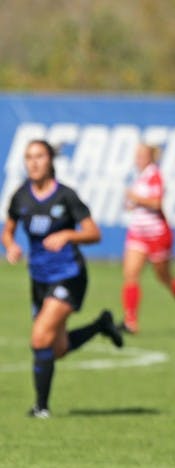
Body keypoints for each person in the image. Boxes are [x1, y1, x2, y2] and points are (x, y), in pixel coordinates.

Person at [3, 139, 123, 417]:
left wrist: (69, 234)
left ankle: (41, 408)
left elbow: (94, 233)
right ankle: (101, 325)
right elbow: (8, 230)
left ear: (50, 161)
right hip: (39, 280)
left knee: (39, 339)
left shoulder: (66, 196)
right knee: (56, 348)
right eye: (28, 157)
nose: (33, 162)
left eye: (39, 156)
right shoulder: (20, 196)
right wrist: (10, 245)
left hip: (69, 275)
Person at [120, 142, 175, 334]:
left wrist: (136, 199)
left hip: (157, 234)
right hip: (138, 232)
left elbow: (156, 203)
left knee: (164, 277)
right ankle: (130, 320)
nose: (137, 159)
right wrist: (132, 204)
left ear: (150, 157)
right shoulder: (140, 178)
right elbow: (138, 203)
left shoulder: (155, 175)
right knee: (130, 274)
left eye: (141, 155)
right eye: (136, 155)